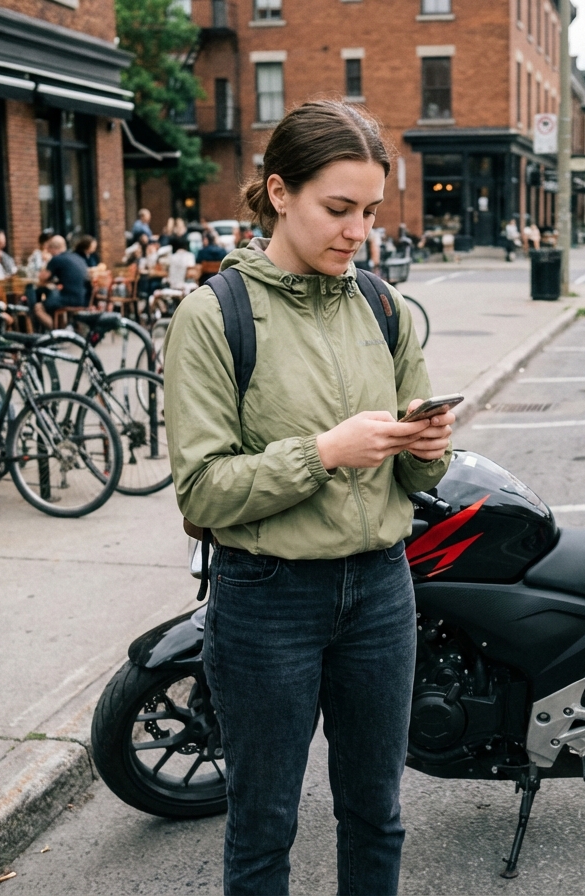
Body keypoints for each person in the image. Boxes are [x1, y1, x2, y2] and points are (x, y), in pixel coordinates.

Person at [164, 99, 454, 896]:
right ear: (280, 192)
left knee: (377, 813)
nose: (357, 231)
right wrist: (324, 454)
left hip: (382, 591)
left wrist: (427, 450)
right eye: (337, 209)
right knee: (264, 826)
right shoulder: (213, 315)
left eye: (368, 211)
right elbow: (201, 488)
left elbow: (422, 473)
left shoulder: (383, 306)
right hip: (267, 600)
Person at [35, 235, 89, 329]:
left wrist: (46, 262)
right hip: (83, 298)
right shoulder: (77, 257)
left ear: (53, 248)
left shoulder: (56, 259)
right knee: (53, 297)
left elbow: (42, 278)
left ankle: (56, 333)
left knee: (38, 307)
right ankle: (62, 327)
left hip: (69, 298)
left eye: (49, 249)